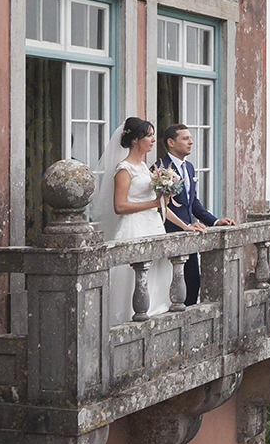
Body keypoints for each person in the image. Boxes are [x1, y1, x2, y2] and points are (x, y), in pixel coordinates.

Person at [93, 117, 186, 322]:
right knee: (132, 279)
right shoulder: (124, 169)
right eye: (149, 135)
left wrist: (186, 227)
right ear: (135, 140)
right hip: (133, 229)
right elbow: (120, 206)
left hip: (153, 227)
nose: (153, 140)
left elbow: (159, 206)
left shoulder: (145, 167)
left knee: (156, 277)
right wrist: (153, 205)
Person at [157, 123, 234, 305]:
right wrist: (184, 227)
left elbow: (193, 203)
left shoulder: (189, 167)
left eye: (190, 138)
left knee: (193, 283)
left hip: (190, 233)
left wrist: (214, 222)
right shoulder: (160, 168)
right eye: (185, 138)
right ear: (171, 142)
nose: (191, 142)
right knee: (172, 289)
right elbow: (159, 206)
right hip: (169, 234)